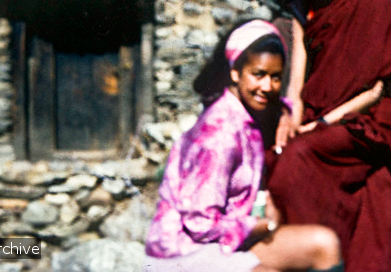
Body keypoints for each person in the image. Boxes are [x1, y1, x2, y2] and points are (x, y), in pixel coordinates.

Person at [268, 0, 391, 272]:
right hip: (315, 112)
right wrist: (291, 113)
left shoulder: (374, 5)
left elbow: (377, 89)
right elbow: (298, 74)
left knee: (296, 161)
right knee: (273, 155)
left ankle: (322, 259)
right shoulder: (305, 4)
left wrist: (321, 122)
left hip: (360, 118)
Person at [145, 20, 343, 272]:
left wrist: (285, 110)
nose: (267, 87)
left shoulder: (248, 113)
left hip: (225, 241)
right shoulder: (218, 136)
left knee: (324, 244)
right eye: (258, 75)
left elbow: (277, 103)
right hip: (183, 251)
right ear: (235, 73)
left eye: (275, 78)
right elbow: (199, 223)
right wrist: (259, 225)